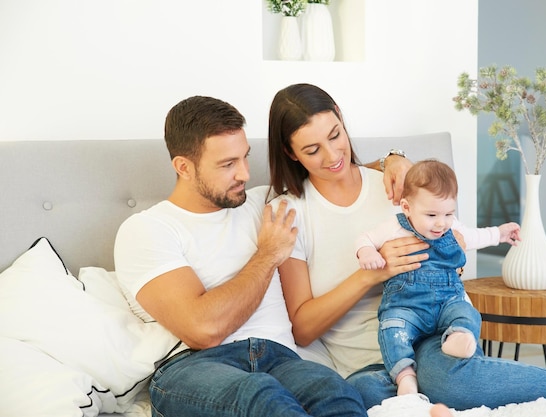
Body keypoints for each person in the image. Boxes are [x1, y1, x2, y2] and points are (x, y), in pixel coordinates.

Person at [266, 82, 546, 411]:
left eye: (335, 135)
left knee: (446, 377)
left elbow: (451, 241)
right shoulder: (290, 214)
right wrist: (370, 275)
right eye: (313, 149)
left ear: (342, 120)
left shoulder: (398, 185)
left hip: (434, 337)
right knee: (368, 395)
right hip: (366, 364)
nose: (332, 156)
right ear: (291, 153)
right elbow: (303, 327)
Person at [113, 95, 370, 417]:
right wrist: (267, 255)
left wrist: (394, 161)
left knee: (335, 392)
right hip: (196, 368)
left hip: (280, 359)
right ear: (183, 167)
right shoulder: (148, 229)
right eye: (227, 164)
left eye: (245, 157)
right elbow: (203, 329)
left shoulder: (263, 203)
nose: (245, 174)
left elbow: (339, 174)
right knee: (261, 395)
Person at [355, 159, 520, 397]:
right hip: (407, 306)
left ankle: (459, 336)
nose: (441, 223)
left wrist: (499, 233)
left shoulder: (450, 230)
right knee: (392, 328)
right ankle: (405, 377)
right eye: (431, 214)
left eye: (448, 214)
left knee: (466, 312)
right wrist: (368, 252)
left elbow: (473, 236)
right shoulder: (394, 227)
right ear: (407, 207)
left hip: (447, 301)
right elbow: (364, 238)